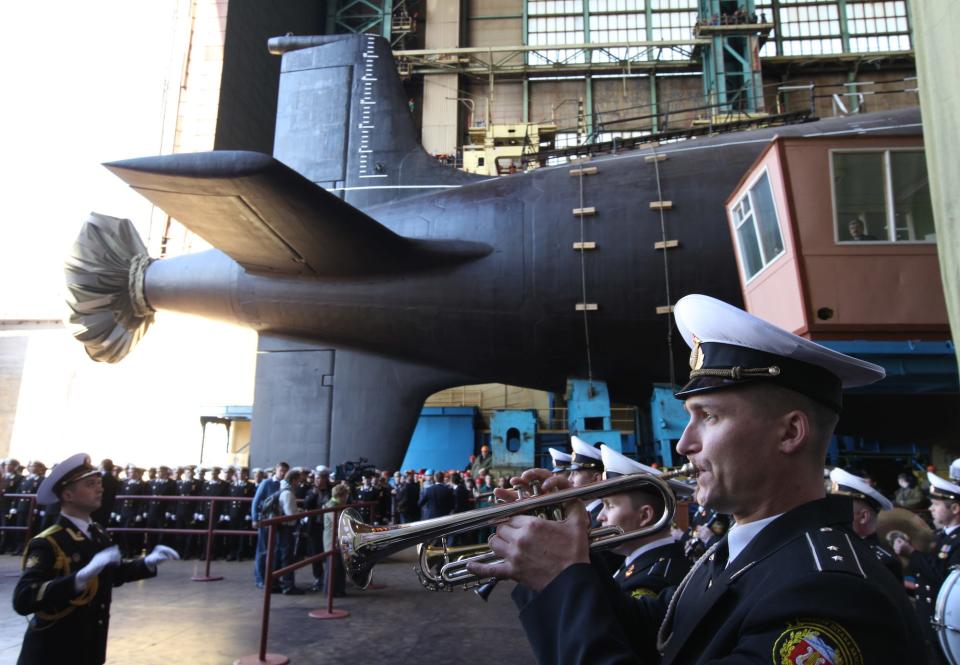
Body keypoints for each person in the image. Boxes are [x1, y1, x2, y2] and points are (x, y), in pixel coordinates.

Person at [468, 293, 923, 664]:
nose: (685, 443)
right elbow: (650, 634)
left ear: (789, 432)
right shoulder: (738, 553)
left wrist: (564, 580)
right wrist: (557, 563)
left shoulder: (832, 595)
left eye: (708, 416)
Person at [12, 453, 178, 665]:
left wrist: (147, 563)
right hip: (53, 650)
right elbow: (23, 599)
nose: (100, 489)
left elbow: (111, 575)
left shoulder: (97, 532)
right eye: (91, 484)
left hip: (89, 645)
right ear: (68, 495)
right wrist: (80, 578)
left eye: (99, 483)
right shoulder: (48, 541)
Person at [599, 445, 690, 599]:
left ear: (644, 516)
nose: (599, 517)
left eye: (610, 506)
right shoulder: (639, 562)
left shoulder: (651, 581)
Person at [894, 471, 960, 664]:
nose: (931, 509)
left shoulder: (957, 541)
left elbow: (943, 578)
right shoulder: (940, 536)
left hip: (946, 623)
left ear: (955, 508)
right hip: (930, 619)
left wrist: (912, 553)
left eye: (937, 505)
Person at [829, 466, 903, 581]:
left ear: (863, 517)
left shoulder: (883, 562)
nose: (833, 515)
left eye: (840, 509)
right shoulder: (846, 544)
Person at [251, 461, 289, 589]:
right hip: (266, 521)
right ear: (276, 470)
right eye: (281, 470)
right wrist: (255, 518)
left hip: (279, 521)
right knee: (263, 551)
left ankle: (273, 579)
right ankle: (260, 579)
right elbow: (256, 501)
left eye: (285, 471)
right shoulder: (267, 483)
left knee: (275, 551)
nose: (283, 473)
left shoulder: (285, 485)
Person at [275, 468, 304, 594]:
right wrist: (300, 513)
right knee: (287, 557)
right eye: (298, 480)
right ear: (293, 480)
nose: (299, 483)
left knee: (281, 555)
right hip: (287, 528)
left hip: (283, 528)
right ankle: (288, 585)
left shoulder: (284, 490)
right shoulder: (288, 493)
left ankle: (275, 582)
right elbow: (290, 513)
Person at [303, 465, 332, 590]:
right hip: (315, 526)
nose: (317, 480)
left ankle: (330, 577)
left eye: (319, 478)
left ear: (325, 478)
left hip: (329, 526)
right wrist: (314, 494)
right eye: (316, 477)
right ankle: (318, 577)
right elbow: (307, 505)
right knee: (315, 553)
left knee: (330, 552)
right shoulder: (311, 491)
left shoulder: (332, 491)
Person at [322, 482, 351, 597]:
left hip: (338, 539)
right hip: (332, 540)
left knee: (339, 565)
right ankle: (330, 591)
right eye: (345, 495)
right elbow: (339, 521)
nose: (347, 498)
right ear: (341, 495)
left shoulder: (336, 505)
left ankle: (339, 589)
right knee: (333, 566)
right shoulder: (331, 506)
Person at [569, 435, 605, 527]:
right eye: (570, 473)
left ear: (596, 478)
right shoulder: (585, 514)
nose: (569, 480)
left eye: (575, 473)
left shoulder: (598, 519)